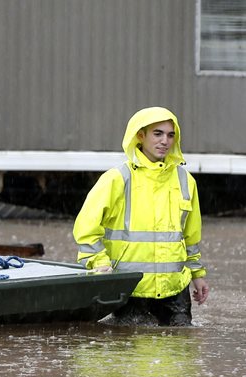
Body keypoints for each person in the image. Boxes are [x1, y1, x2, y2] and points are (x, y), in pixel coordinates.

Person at [73, 106, 209, 327]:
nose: (165, 141)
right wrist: (99, 264)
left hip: (175, 291)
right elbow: (86, 228)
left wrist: (197, 274)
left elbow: (190, 236)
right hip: (130, 290)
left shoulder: (186, 181)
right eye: (158, 133)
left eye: (170, 135)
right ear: (140, 135)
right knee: (130, 354)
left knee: (181, 351)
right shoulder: (117, 178)